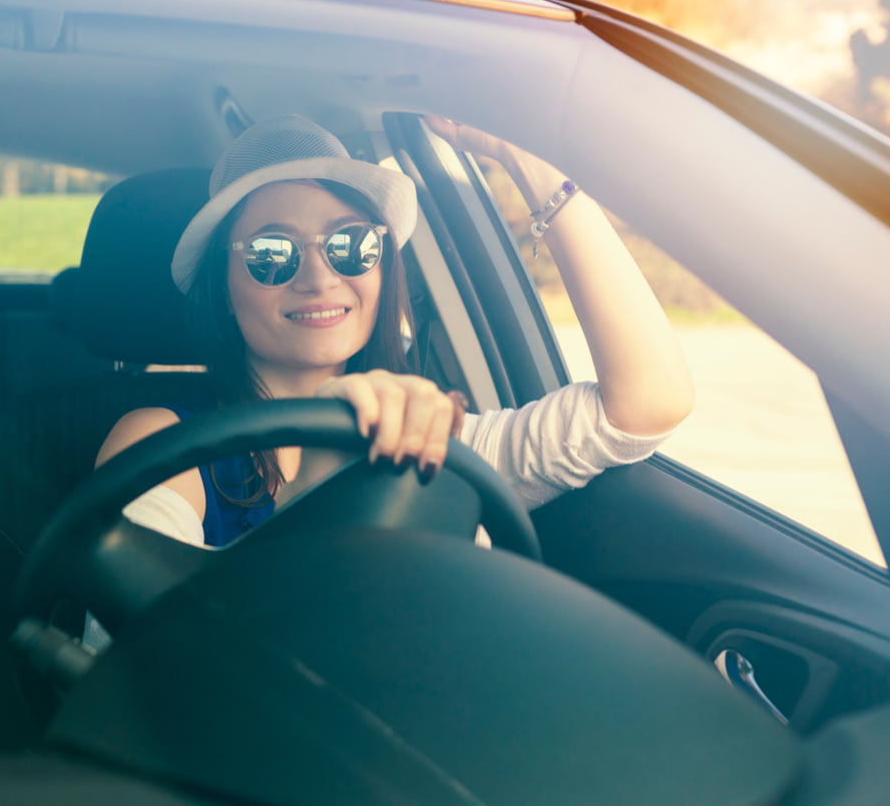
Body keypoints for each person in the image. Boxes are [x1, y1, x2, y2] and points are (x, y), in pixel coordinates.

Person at [95, 115, 694, 548]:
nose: (318, 277)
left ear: (383, 268)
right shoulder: (165, 441)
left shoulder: (425, 435)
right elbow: (133, 654)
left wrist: (530, 164)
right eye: (271, 252)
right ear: (222, 289)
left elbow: (647, 404)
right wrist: (320, 486)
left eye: (350, 245)